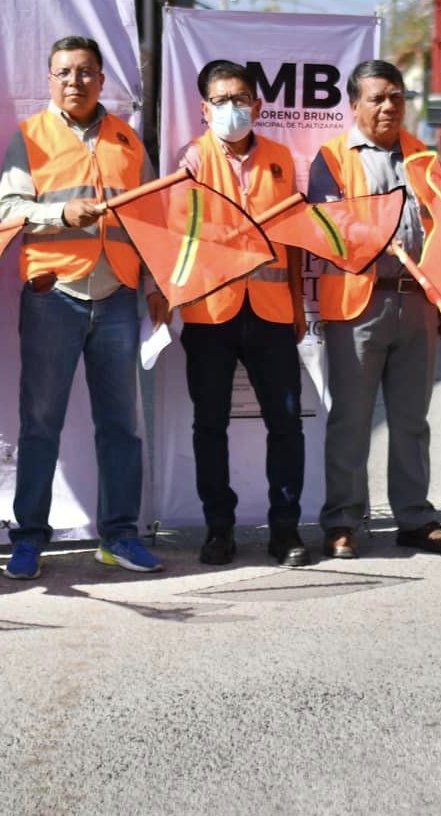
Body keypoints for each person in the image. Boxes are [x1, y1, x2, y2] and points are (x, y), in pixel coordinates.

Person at [0, 35, 168, 580]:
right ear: (50, 80)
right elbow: (9, 210)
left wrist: (157, 283)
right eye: (65, 72)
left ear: (102, 79)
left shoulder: (127, 140)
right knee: (40, 424)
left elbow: (151, 220)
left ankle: (119, 536)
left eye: (87, 71)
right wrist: (62, 214)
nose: (76, 81)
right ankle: (28, 540)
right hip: (54, 295)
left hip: (117, 293)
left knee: (120, 425)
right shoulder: (30, 137)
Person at [308, 59, 441, 560]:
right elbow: (331, 228)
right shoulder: (331, 158)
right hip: (359, 303)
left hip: (417, 302)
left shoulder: (423, 156)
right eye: (376, 98)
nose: (388, 106)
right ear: (354, 106)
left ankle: (416, 518)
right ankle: (343, 522)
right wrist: (377, 240)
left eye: (396, 96)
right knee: (351, 420)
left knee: (412, 420)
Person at [173, 59, 310, 568]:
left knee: (287, 423)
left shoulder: (279, 157)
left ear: (258, 104)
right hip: (211, 314)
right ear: (205, 109)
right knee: (209, 425)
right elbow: (177, 239)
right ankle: (219, 529)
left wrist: (296, 300)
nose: (235, 108)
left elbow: (294, 239)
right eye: (223, 100)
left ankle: (286, 530)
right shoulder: (191, 159)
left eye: (243, 99)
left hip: (272, 312)